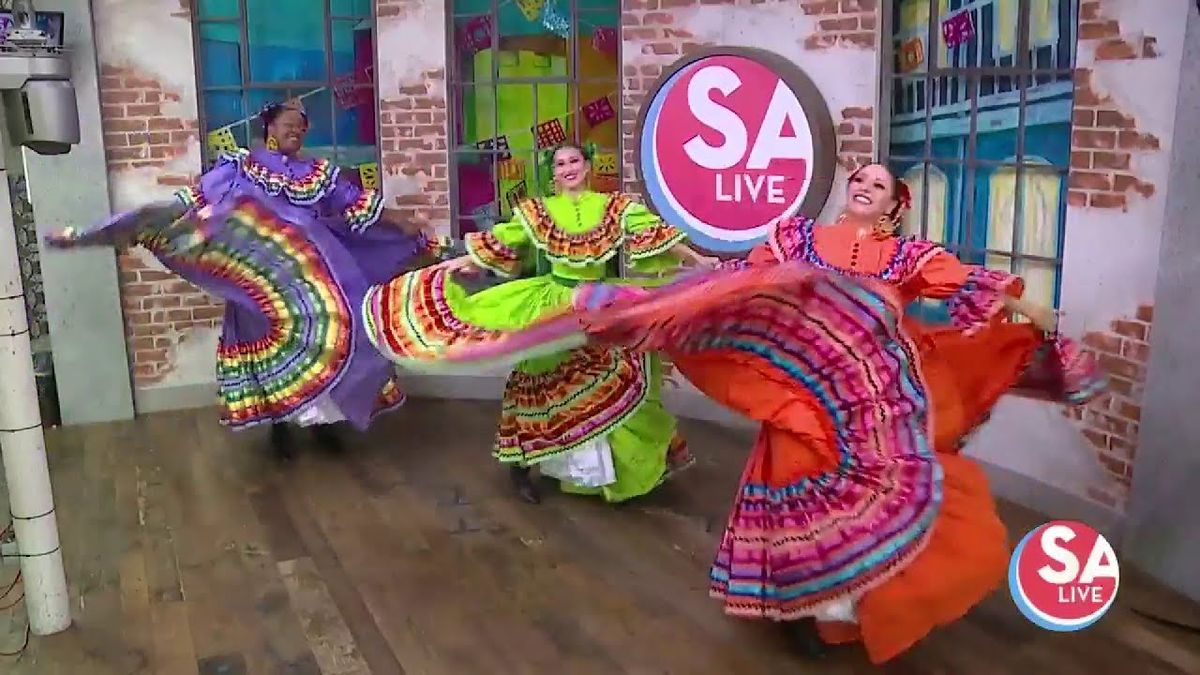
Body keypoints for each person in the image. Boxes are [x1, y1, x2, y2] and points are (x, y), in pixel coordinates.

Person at [411, 164, 1106, 663]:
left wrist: (1027, 307)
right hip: (802, 392)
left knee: (892, 490)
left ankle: (853, 610)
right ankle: (812, 609)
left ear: (894, 207)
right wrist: (669, 289)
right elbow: (737, 281)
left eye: (879, 184)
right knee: (803, 487)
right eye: (858, 179)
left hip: (878, 398)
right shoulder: (797, 239)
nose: (864, 185)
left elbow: (969, 283)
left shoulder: (910, 256)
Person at [47, 100, 445, 459]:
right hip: (260, 279)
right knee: (269, 346)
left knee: (335, 333)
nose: (296, 131)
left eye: (302, 126)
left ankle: (326, 427)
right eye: (288, 124)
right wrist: (140, 222)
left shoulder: (318, 172)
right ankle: (282, 429)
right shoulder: (239, 167)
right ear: (269, 127)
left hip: (313, 274)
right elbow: (191, 200)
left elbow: (356, 205)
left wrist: (403, 223)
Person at [362, 141, 716, 504]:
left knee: (625, 369)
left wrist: (698, 260)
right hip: (551, 303)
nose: (568, 168)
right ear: (554, 173)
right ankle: (520, 469)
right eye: (560, 164)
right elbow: (503, 240)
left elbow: (656, 235)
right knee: (541, 381)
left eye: (574, 161)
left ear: (587, 165)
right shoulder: (539, 211)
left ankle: (603, 472)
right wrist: (460, 263)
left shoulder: (614, 207)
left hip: (599, 302)